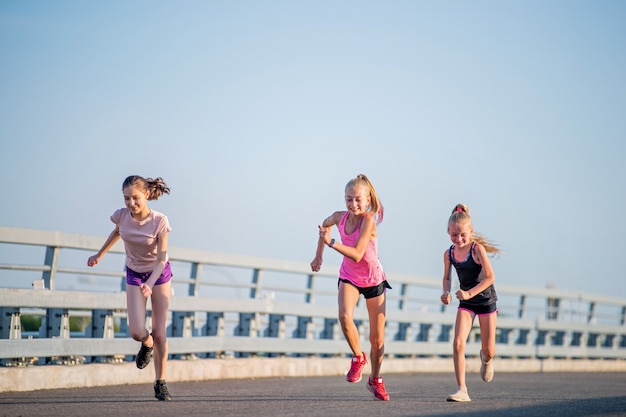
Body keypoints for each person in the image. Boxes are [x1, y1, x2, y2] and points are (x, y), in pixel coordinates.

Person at [87, 175, 173, 401]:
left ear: (146, 195)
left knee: (160, 331)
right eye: (126, 199)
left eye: (135, 198)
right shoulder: (121, 216)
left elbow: (162, 259)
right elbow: (118, 231)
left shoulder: (160, 221)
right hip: (135, 273)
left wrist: (151, 283)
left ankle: (160, 383)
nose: (131, 204)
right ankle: (147, 344)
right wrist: (100, 254)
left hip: (159, 275)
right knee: (137, 331)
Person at [310, 174, 391, 401]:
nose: (353, 204)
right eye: (348, 199)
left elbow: (357, 254)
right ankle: (358, 357)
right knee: (345, 316)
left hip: (373, 279)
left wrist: (331, 243)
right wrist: (318, 256)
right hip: (349, 277)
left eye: (357, 200)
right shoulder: (339, 217)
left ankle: (375, 379)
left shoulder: (368, 220)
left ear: (367, 201)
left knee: (377, 340)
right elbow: (324, 228)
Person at [441, 203, 500, 402]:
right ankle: (462, 389)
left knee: (489, 349)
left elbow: (490, 277)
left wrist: (469, 293)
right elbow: (447, 277)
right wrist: (446, 292)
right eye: (453, 236)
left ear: (471, 232)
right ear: (448, 233)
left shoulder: (477, 250)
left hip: (485, 302)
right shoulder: (448, 254)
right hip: (466, 304)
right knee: (458, 343)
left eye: (462, 235)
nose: (458, 240)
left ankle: (486, 359)